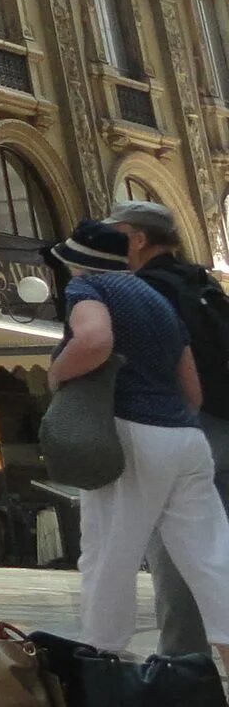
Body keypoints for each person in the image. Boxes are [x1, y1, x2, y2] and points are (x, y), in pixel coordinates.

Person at [50, 220, 229, 662]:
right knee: (210, 559)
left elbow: (94, 339)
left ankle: (102, 663)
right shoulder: (159, 300)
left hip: (132, 433)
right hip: (187, 439)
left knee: (110, 553)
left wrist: (57, 373)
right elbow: (193, 391)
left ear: (80, 263)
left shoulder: (90, 290)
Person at [107, 198, 229, 659]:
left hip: (177, 431)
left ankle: (183, 667)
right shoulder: (201, 282)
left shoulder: (139, 291)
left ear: (137, 240)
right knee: (217, 553)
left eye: (115, 235)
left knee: (177, 555)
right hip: (223, 429)